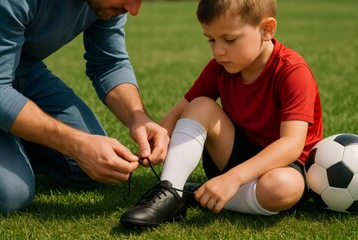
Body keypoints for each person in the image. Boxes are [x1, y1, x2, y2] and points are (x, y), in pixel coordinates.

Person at [120, 0, 323, 228]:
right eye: (211, 40)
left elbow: (291, 144)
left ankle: (198, 194)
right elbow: (179, 111)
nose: (218, 51)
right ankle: (171, 191)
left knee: (283, 187)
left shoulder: (292, 71)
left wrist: (232, 179)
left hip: (284, 166)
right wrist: (157, 143)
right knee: (200, 105)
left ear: (266, 30)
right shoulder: (220, 67)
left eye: (229, 40)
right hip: (234, 153)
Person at [0, 0, 170, 215]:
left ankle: (15, 135)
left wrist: (138, 118)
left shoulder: (107, 4)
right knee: (10, 194)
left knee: (94, 169)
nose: (134, 10)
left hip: (20, 69)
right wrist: (77, 144)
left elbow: (109, 63)